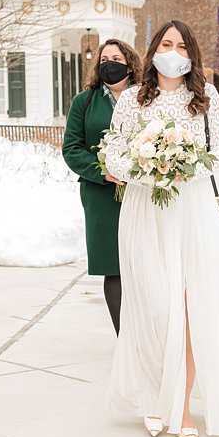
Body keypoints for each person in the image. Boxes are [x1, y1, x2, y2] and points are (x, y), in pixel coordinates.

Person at [103, 20, 219, 437]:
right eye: (165, 43)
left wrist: (185, 165)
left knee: (192, 310)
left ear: (191, 54)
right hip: (146, 210)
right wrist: (147, 170)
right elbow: (114, 156)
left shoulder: (203, 96)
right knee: (154, 306)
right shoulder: (132, 100)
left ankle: (184, 406)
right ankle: (153, 397)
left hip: (192, 211)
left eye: (180, 45)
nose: (172, 51)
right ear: (153, 48)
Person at [61, 39, 140, 333]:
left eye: (116, 57)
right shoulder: (84, 101)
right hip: (101, 196)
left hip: (140, 192)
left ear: (129, 64)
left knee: (143, 263)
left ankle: (148, 334)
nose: (109, 62)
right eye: (104, 58)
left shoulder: (146, 98)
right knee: (114, 266)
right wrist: (105, 171)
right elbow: (72, 148)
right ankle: (125, 338)